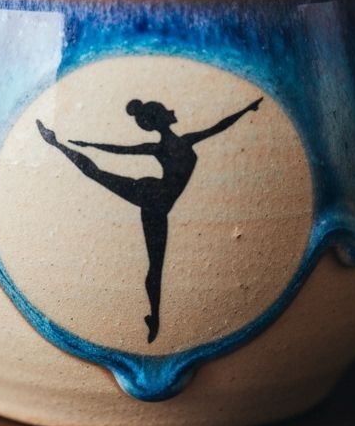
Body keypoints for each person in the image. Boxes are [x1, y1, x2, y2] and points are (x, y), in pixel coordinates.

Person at [36, 94, 263, 343]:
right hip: (151, 197)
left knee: (155, 265)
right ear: (162, 118)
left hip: (157, 203)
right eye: (167, 108)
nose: (172, 108)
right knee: (97, 175)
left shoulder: (181, 142)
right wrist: (90, 145)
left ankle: (154, 318)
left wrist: (246, 109)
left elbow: (220, 126)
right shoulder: (168, 146)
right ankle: (55, 143)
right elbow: (121, 151)